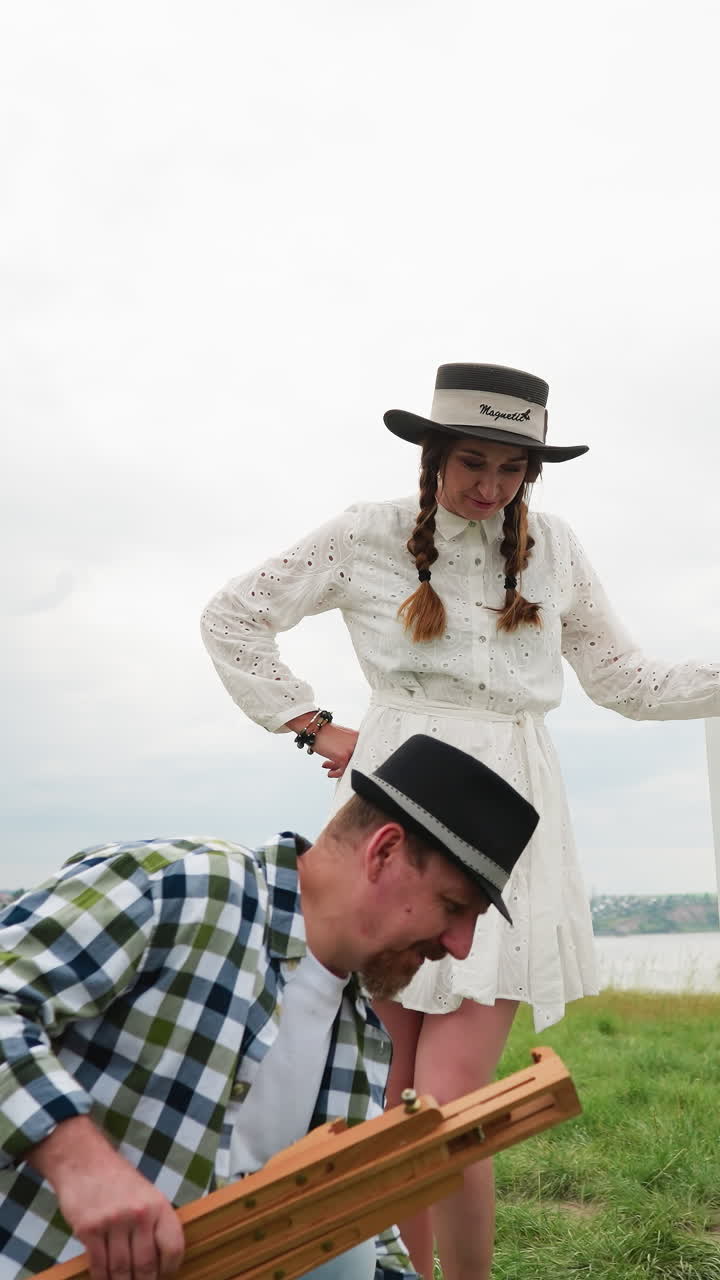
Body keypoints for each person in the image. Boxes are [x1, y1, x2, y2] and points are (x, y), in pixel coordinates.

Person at [200, 361, 720, 1280]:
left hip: (513, 818)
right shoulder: (365, 534)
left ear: (532, 473)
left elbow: (627, 682)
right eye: (471, 461)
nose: (489, 485)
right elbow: (234, 615)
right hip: (393, 807)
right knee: (388, 1097)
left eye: (512, 467)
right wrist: (310, 722)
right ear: (434, 454)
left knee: (447, 1105)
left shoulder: (554, 550)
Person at [0, 735, 538, 1280]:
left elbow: (365, 1241)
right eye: (452, 906)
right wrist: (83, 1168)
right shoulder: (189, 888)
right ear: (384, 852)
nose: (461, 946)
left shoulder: (360, 1041)